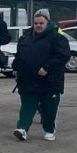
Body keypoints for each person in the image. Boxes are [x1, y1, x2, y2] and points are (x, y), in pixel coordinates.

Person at [12, 12, 70, 141]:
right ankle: (22, 128)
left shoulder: (57, 38)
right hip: (28, 79)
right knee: (28, 105)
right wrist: (16, 67)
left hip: (49, 80)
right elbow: (20, 54)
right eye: (36, 23)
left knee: (49, 108)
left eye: (41, 23)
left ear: (47, 23)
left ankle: (49, 130)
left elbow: (63, 56)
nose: (38, 25)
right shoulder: (25, 37)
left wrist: (47, 67)